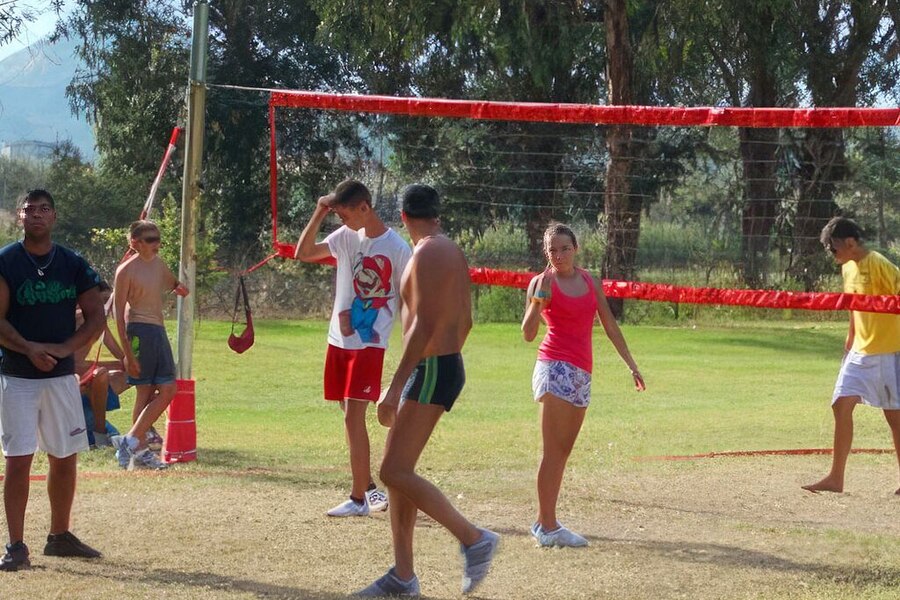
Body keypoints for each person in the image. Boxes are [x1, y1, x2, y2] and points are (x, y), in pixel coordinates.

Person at [356, 184, 498, 597]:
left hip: (431, 368)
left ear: (402, 216)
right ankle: (403, 577)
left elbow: (423, 325)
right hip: (437, 365)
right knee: (397, 471)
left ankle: (475, 539)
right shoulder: (447, 249)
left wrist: (397, 384)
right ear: (437, 213)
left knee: (392, 472)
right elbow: (465, 321)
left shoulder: (427, 253)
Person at [521, 223, 645, 548]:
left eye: (564, 248)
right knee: (552, 451)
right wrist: (538, 302)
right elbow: (528, 333)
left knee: (563, 451)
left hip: (581, 371)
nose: (559, 255)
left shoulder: (590, 281)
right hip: (554, 367)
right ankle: (547, 526)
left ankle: (545, 523)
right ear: (546, 253)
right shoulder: (542, 282)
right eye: (552, 250)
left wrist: (631, 364)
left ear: (575, 248)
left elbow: (609, 324)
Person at [0, 189, 105, 572]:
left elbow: (96, 317)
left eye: (44, 209)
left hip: (60, 377)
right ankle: (16, 546)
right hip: (18, 376)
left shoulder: (73, 263)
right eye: (30, 209)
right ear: (20, 216)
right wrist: (28, 348)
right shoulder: (6, 261)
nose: (37, 215)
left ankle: (59, 536)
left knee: (64, 456)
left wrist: (64, 349)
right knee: (19, 459)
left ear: (54, 217)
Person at [295, 179, 411, 517]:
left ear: (365, 207)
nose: (342, 222)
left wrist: (409, 341)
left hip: (369, 343)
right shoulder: (346, 236)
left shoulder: (397, 248)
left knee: (352, 416)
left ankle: (359, 498)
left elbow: (408, 298)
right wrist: (319, 211)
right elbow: (304, 252)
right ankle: (368, 488)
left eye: (345, 215)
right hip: (339, 339)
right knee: (348, 416)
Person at [802, 216, 900, 494]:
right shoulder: (847, 269)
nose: (831, 253)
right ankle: (836, 479)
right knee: (840, 404)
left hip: (889, 350)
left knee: (895, 418)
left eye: (832, 247)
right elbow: (854, 308)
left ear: (850, 242)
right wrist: (849, 343)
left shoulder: (878, 263)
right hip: (860, 351)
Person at [110, 220, 188, 471]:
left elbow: (173, 283)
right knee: (148, 391)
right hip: (139, 331)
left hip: (158, 330)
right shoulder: (125, 271)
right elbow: (117, 315)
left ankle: (132, 442)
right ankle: (137, 445)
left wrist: (180, 287)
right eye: (151, 240)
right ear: (135, 242)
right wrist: (127, 354)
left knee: (165, 388)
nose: (157, 244)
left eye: (158, 239)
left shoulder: (158, 264)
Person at [74, 281, 129, 448]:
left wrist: (131, 364)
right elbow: (72, 365)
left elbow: (121, 357)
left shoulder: (99, 322)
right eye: (104, 300)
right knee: (101, 374)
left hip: (83, 381)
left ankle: (145, 429)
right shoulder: (75, 318)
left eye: (108, 301)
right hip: (69, 385)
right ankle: (98, 433)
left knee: (132, 373)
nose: (107, 306)